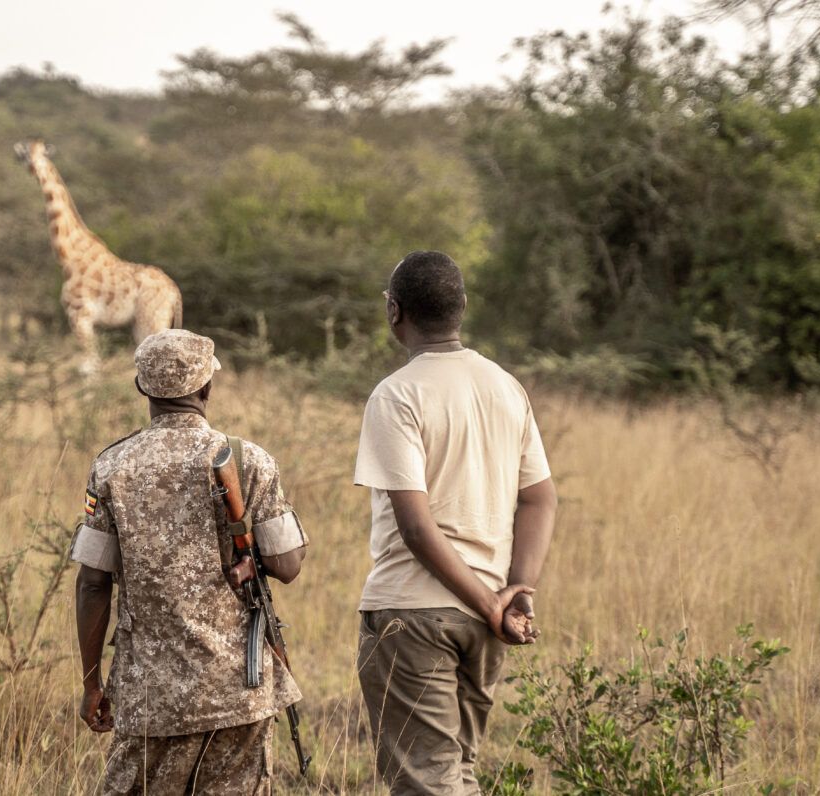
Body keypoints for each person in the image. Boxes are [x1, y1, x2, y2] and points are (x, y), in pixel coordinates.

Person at [71, 329, 309, 795]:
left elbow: (92, 583)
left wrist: (91, 683)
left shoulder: (111, 467)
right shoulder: (249, 460)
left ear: (143, 389)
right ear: (207, 388)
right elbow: (288, 565)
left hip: (148, 698)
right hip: (239, 690)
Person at [354, 250, 558, 795]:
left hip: (415, 614)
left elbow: (417, 529)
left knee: (427, 782)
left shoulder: (396, 394)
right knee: (456, 774)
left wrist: (497, 603)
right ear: (462, 308)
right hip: (485, 618)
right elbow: (540, 498)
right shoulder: (504, 386)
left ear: (394, 311)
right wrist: (514, 590)